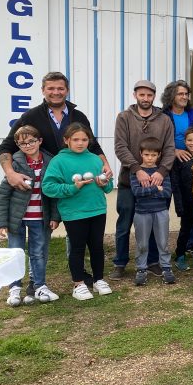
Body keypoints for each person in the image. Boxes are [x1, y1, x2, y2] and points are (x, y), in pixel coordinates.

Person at [0, 71, 113, 189]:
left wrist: (106, 165)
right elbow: (6, 147)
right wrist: (10, 174)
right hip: (45, 183)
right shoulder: (30, 116)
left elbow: (93, 145)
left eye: (60, 88)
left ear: (67, 90)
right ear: (43, 90)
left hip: (75, 181)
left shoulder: (79, 117)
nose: (56, 92)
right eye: (51, 88)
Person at [111, 80, 175, 280]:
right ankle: (120, 263)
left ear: (154, 96)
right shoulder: (124, 118)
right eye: (142, 95)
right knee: (124, 223)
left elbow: (170, 148)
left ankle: (153, 262)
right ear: (135, 95)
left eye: (149, 95)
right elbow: (120, 147)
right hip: (129, 181)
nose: (145, 99)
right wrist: (137, 169)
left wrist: (162, 171)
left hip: (158, 180)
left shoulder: (164, 120)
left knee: (156, 223)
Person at [42, 123, 114, 301]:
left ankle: (99, 280)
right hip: (74, 212)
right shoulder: (59, 161)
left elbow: (108, 186)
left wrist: (105, 184)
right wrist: (73, 188)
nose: (80, 143)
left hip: (97, 209)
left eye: (84, 139)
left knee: (97, 246)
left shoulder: (96, 159)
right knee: (78, 247)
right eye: (75, 139)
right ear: (66, 140)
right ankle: (79, 284)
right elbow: (48, 187)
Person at [0, 126, 60, 306]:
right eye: (22, 143)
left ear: (40, 141)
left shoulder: (50, 162)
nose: (28, 145)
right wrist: (1, 223)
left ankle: (40, 285)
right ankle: (14, 289)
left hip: (40, 218)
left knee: (38, 253)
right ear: (17, 145)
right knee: (15, 253)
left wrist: (55, 217)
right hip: (15, 219)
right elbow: (3, 195)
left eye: (32, 141)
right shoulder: (15, 163)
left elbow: (54, 194)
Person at [131, 137, 175, 286]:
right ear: (141, 154)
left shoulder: (162, 173)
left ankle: (167, 268)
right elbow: (137, 192)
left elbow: (167, 193)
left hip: (161, 211)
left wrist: (148, 190)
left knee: (162, 242)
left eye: (153, 155)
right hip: (142, 212)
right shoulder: (136, 173)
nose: (150, 158)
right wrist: (156, 188)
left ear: (159, 155)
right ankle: (141, 269)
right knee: (142, 243)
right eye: (146, 155)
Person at [170, 126, 193, 271]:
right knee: (185, 229)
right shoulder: (179, 159)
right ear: (184, 141)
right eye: (189, 140)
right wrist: (179, 204)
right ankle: (180, 255)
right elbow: (175, 184)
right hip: (186, 201)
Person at [161, 80, 193, 163]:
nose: (185, 97)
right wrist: (174, 151)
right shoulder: (162, 116)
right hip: (167, 160)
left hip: (191, 159)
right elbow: (157, 141)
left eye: (186, 94)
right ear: (171, 96)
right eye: (180, 94)